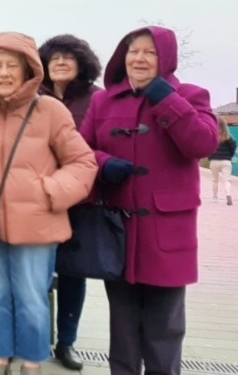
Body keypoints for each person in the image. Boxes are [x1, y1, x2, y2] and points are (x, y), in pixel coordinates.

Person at [0, 32, 97, 375]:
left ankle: (32, 361)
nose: (4, 73)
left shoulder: (51, 111)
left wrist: (50, 191)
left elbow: (82, 163)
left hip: (37, 225)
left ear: (28, 71)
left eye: (13, 65)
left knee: (32, 299)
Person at [80, 27, 218, 375]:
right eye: (133, 51)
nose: (139, 58)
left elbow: (202, 144)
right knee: (122, 329)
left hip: (167, 233)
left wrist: (164, 97)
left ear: (166, 58)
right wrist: (104, 164)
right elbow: (79, 150)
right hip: (119, 229)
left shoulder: (191, 95)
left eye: (150, 52)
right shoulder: (103, 100)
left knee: (165, 329)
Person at [36, 34, 103, 371]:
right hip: (38, 199)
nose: (60, 62)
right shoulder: (33, 96)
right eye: (54, 58)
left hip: (80, 200)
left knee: (74, 274)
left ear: (81, 62)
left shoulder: (97, 99)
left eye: (68, 57)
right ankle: (34, 341)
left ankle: (67, 343)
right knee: (36, 272)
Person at [209, 116, 236, 205]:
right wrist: (229, 157)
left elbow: (208, 147)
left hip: (214, 161)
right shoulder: (229, 137)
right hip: (226, 161)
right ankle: (228, 195)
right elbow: (233, 148)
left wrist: (210, 157)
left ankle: (215, 197)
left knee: (215, 180)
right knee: (227, 180)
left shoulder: (212, 135)